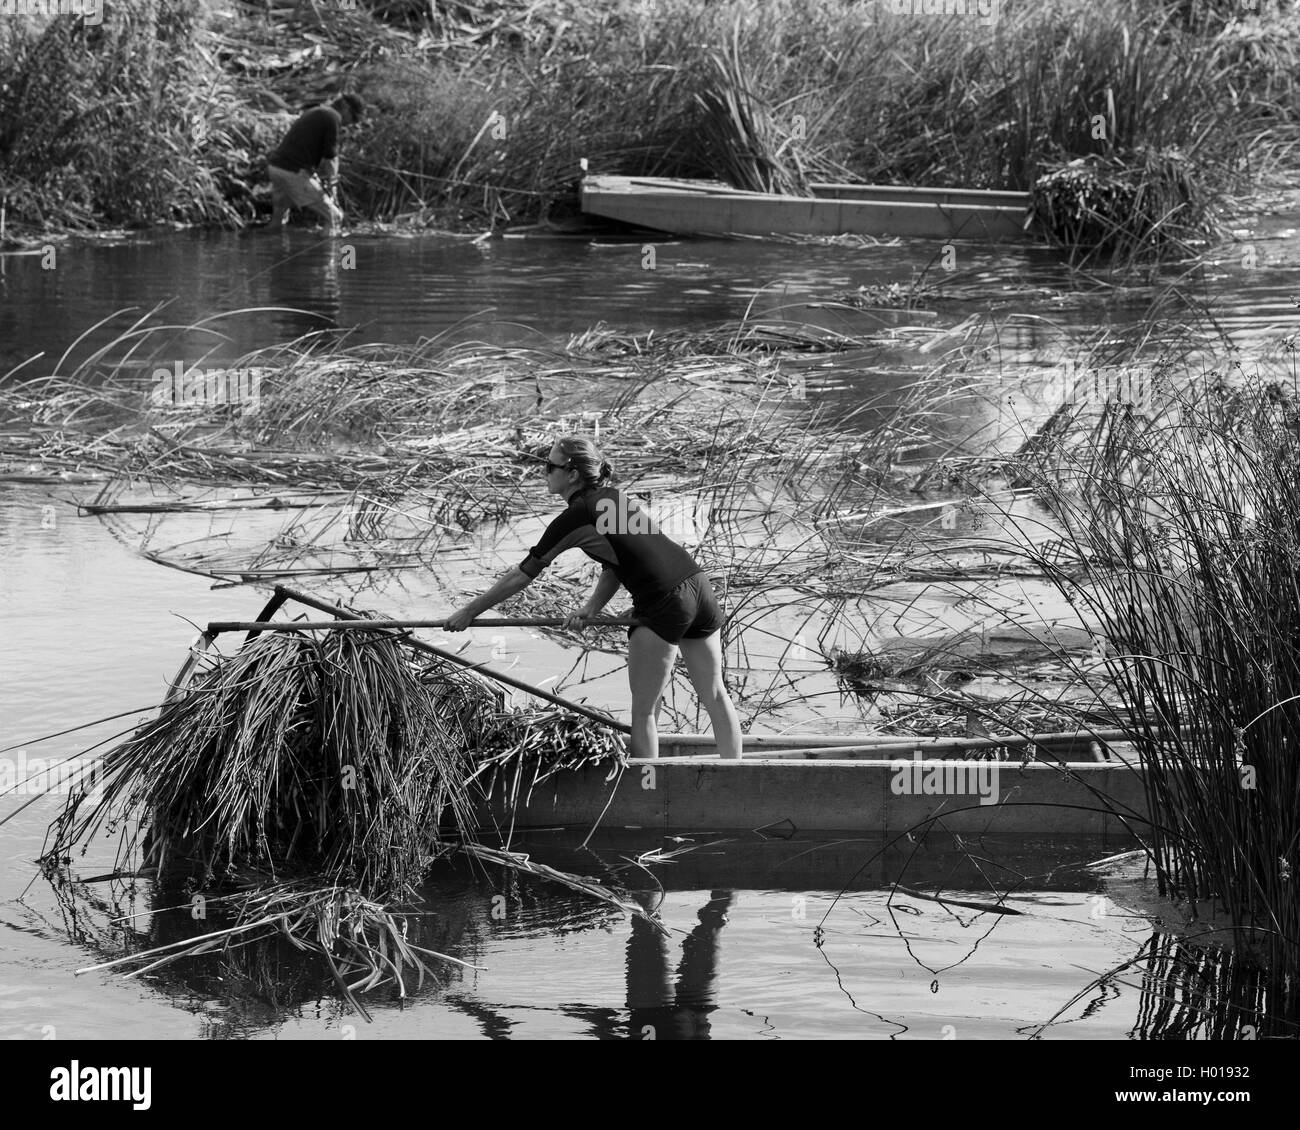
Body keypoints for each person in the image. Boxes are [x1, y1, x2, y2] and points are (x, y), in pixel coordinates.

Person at [443, 436, 744, 760]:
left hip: (665, 601)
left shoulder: (578, 515)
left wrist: (468, 611)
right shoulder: (612, 499)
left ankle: (647, 795)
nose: (544, 473)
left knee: (644, 712)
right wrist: (590, 608)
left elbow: (523, 574)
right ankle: (740, 780)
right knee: (715, 695)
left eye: (549, 466)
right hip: (698, 585)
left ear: (572, 474)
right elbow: (616, 564)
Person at [264, 93, 364, 235]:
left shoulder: (317, 111)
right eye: (353, 118)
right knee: (335, 218)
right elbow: (330, 157)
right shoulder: (332, 117)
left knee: (278, 218)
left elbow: (305, 149)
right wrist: (333, 185)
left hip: (276, 168)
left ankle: (272, 247)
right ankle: (328, 255)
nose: (351, 123)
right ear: (346, 109)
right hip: (293, 172)